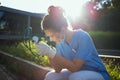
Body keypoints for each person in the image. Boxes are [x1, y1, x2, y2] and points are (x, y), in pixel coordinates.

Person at [36, 5, 110, 80]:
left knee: (75, 77)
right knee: (51, 76)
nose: (51, 39)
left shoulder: (83, 36)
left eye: (52, 35)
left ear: (63, 29)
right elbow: (58, 69)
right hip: (78, 73)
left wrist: (52, 53)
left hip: (98, 73)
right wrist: (48, 53)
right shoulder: (60, 43)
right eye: (49, 36)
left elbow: (75, 68)